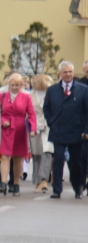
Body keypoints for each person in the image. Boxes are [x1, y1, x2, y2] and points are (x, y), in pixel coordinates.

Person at [42, 62, 87, 199]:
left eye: (70, 72)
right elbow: (46, 108)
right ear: (60, 74)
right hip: (58, 130)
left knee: (75, 162)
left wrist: (85, 130)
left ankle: (78, 187)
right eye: (65, 72)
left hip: (76, 131)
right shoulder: (52, 90)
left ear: (73, 72)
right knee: (58, 159)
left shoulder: (83, 90)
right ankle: (57, 189)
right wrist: (51, 122)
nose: (68, 74)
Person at [0, 72, 35, 195]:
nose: (14, 87)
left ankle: (16, 183)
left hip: (20, 129)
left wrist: (32, 129)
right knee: (5, 156)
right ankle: (3, 182)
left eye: (17, 85)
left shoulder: (26, 97)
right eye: (12, 85)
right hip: (6, 128)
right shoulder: (2, 96)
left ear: (21, 85)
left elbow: (31, 114)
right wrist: (2, 121)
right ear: (9, 85)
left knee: (18, 158)